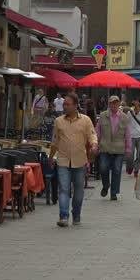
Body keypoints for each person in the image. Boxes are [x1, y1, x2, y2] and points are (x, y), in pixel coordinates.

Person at [49, 93, 97, 227]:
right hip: (63, 160)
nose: (65, 106)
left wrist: (94, 145)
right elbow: (54, 141)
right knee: (64, 189)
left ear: (76, 106)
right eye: (64, 104)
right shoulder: (58, 121)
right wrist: (51, 157)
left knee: (79, 190)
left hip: (80, 160)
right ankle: (63, 216)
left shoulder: (86, 120)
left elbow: (92, 135)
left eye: (68, 104)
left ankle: (76, 214)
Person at [96, 95, 131, 201]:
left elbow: (128, 134)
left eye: (116, 103)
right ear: (109, 104)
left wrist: (128, 149)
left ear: (119, 104)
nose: (114, 105)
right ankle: (106, 185)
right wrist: (95, 144)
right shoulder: (103, 116)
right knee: (103, 168)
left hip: (119, 148)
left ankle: (114, 193)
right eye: (112, 103)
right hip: (105, 147)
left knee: (117, 170)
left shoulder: (124, 117)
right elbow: (98, 131)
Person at [124, 102, 140, 175]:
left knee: (139, 154)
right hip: (131, 136)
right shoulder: (129, 113)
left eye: (137, 104)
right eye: (134, 104)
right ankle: (129, 167)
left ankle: (136, 169)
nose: (136, 106)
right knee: (130, 154)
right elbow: (126, 122)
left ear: (139, 105)